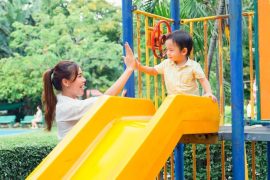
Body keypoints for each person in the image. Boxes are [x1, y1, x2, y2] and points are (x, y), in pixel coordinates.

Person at [42, 43, 136, 140]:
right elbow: (104, 98)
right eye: (79, 76)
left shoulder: (65, 103)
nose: (84, 80)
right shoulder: (67, 107)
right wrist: (129, 69)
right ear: (66, 82)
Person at [136, 30, 217, 101]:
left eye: (171, 50)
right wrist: (140, 67)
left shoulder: (193, 66)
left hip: (191, 103)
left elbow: (203, 80)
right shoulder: (166, 63)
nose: (167, 53)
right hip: (173, 102)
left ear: (184, 51)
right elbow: (153, 71)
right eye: (166, 50)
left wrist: (209, 93)